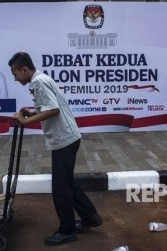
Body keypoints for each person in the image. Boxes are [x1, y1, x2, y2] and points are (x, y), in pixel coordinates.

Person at [9, 52, 102, 246]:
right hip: (67, 138)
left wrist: (26, 120)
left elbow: (54, 110)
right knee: (67, 183)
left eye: (15, 74)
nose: (15, 79)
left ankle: (67, 231)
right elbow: (48, 107)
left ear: (24, 70)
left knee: (60, 188)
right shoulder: (39, 80)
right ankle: (90, 217)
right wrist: (33, 112)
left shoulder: (40, 82)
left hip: (64, 140)